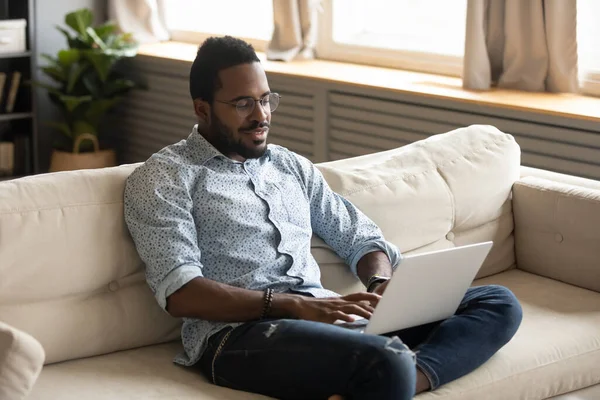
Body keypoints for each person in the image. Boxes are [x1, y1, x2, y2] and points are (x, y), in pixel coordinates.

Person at [123, 36, 523, 400]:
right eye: (243, 103)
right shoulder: (165, 177)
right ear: (202, 109)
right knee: (385, 360)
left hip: (330, 318)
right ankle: (389, 375)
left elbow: (360, 237)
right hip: (238, 337)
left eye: (266, 99)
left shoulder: (290, 166)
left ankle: (399, 380)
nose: (261, 115)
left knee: (496, 302)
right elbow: (181, 294)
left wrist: (381, 282)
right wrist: (292, 307)